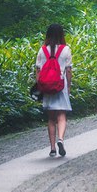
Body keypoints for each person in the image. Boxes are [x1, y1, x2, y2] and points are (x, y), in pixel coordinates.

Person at [34, 23, 72, 157]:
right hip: (60, 86)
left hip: (47, 87)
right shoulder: (66, 49)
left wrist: (40, 87)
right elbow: (68, 70)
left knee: (51, 118)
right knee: (61, 115)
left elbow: (38, 70)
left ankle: (52, 149)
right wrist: (69, 86)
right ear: (61, 34)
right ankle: (60, 140)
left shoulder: (42, 50)